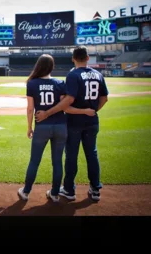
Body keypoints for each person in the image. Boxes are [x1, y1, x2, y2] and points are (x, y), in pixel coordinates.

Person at [18, 54, 96, 203]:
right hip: (61, 126)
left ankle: (26, 191)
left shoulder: (32, 83)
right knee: (57, 162)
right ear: (52, 67)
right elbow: (66, 106)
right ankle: (54, 194)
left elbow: (30, 109)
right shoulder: (60, 83)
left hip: (42, 127)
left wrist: (29, 127)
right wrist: (85, 111)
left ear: (38, 66)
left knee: (34, 161)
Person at [35, 46, 109, 202]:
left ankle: (69, 190)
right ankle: (95, 189)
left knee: (71, 156)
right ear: (88, 58)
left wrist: (48, 113)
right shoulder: (98, 75)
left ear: (73, 58)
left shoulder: (73, 75)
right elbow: (104, 98)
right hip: (92, 122)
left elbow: (68, 102)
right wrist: (93, 110)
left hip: (74, 122)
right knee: (92, 155)